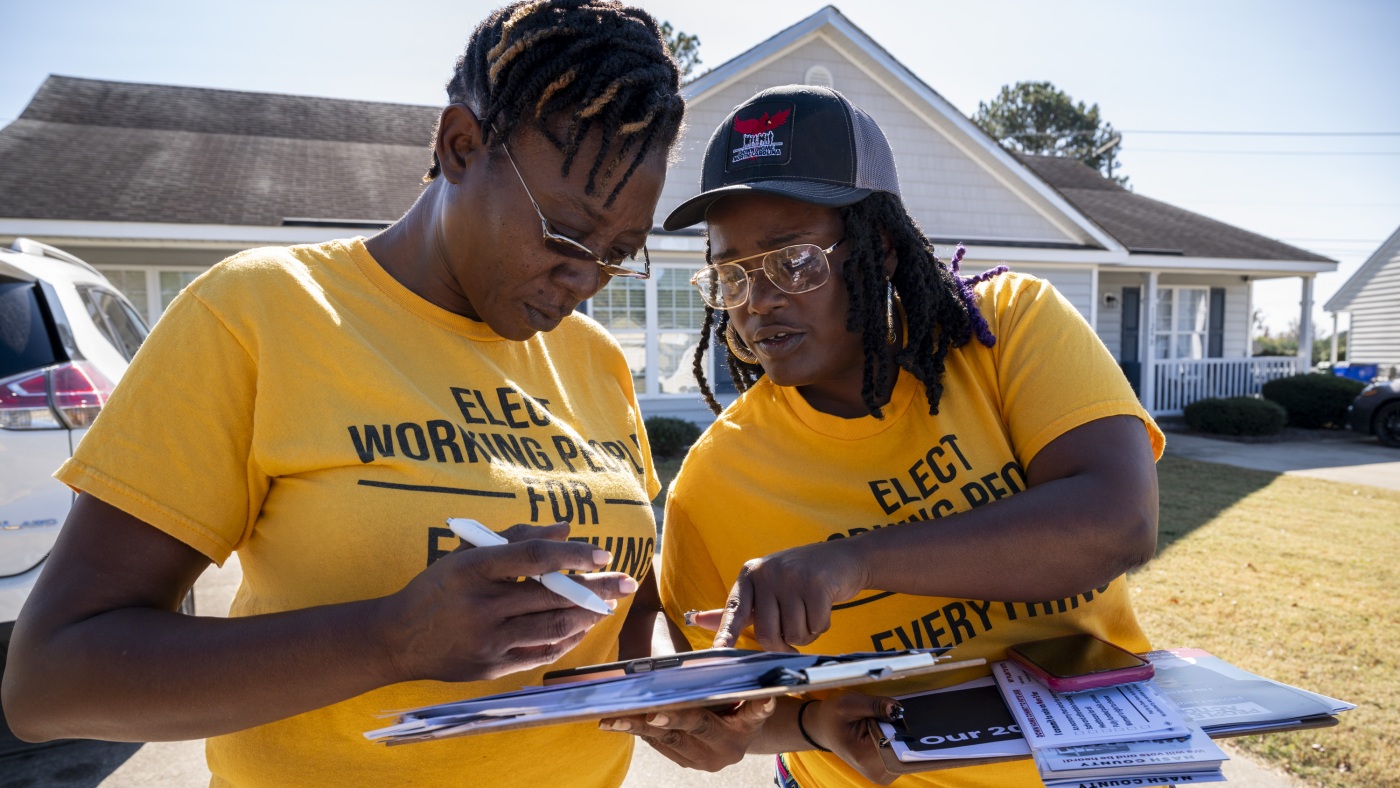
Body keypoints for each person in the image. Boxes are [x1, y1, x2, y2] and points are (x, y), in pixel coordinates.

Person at [1, 2, 686, 786]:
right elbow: (52, 682)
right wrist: (389, 640)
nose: (587, 279)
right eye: (567, 236)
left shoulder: (595, 361)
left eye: (620, 254)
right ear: (461, 145)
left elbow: (626, 617)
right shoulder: (261, 312)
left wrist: (677, 694)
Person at [597, 85, 1164, 787]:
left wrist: (853, 564)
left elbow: (1118, 523)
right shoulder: (715, 481)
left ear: (883, 249)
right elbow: (720, 719)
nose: (759, 300)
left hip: (1100, 765)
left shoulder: (1008, 328)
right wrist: (734, 724)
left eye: (792, 260)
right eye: (730, 273)